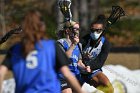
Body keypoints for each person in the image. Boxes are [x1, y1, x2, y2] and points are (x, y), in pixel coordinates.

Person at [0, 10, 85, 93]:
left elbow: (1, 72)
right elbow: (66, 74)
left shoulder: (15, 49)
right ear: (42, 27)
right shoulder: (51, 46)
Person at [80, 15, 114, 93]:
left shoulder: (106, 44)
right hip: (79, 70)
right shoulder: (84, 40)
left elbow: (100, 61)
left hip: (92, 70)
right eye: (92, 30)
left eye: (98, 30)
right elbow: (75, 54)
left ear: (103, 31)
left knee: (109, 89)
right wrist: (82, 57)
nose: (94, 33)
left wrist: (90, 66)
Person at [57, 21, 90, 93]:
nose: (78, 31)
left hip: (76, 76)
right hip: (63, 77)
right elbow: (63, 59)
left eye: (78, 29)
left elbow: (79, 62)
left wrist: (84, 68)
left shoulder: (79, 45)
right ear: (67, 30)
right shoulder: (60, 42)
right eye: (75, 29)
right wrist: (73, 45)